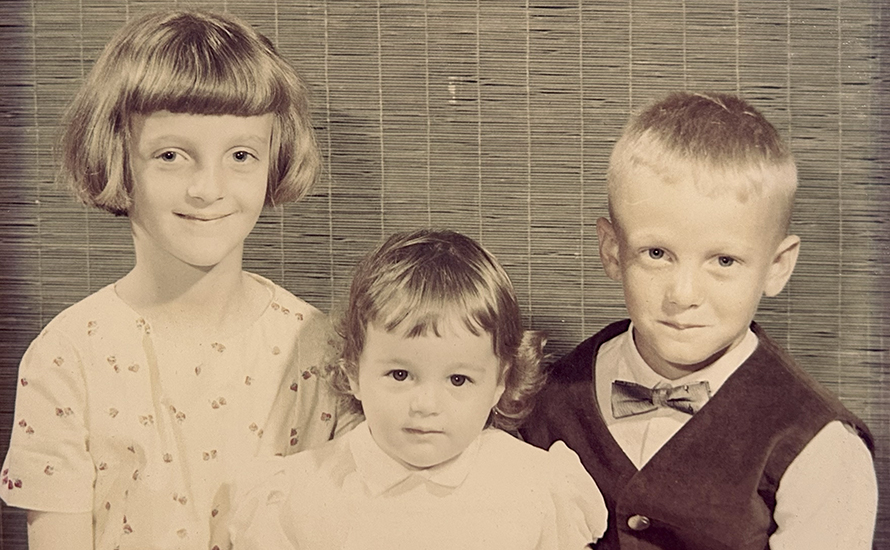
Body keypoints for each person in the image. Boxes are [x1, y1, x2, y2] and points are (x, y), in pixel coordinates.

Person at [0, 10, 356, 550]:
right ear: (117, 157)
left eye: (240, 155)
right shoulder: (66, 357)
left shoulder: (321, 349)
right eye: (171, 155)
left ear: (274, 160)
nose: (207, 188)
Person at [520, 91, 878, 549]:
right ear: (612, 250)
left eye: (724, 261)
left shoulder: (822, 449)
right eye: (657, 254)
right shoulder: (543, 400)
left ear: (777, 266)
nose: (683, 295)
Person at [227, 229, 608, 549]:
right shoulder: (300, 495)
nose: (425, 405)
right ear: (354, 371)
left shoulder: (535, 487)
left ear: (499, 382)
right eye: (400, 375)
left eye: (458, 380)